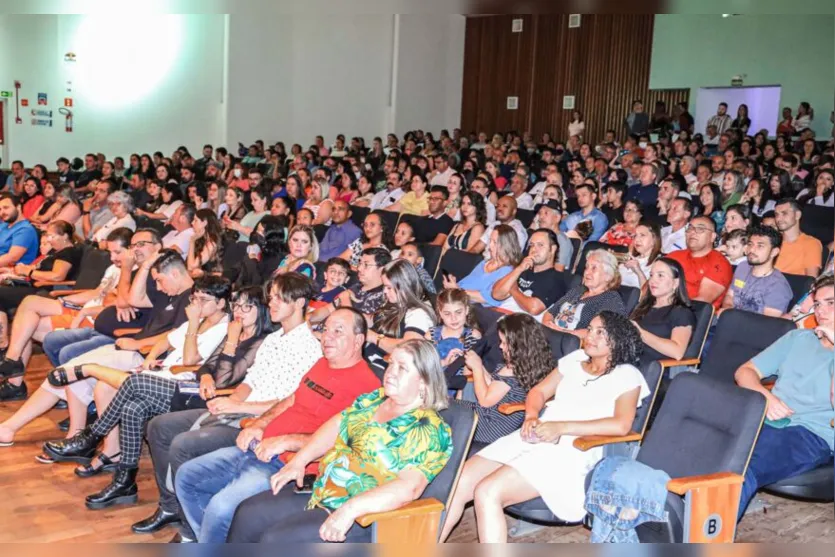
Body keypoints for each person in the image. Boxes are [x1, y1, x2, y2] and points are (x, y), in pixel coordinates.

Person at [177, 308, 385, 543]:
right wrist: (259, 424)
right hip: (260, 446)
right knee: (187, 476)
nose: (327, 337)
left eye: (338, 331)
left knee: (221, 506)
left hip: (289, 466)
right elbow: (293, 399)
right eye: (325, 330)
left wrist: (284, 442)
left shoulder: (367, 388)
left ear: (359, 340)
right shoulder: (321, 364)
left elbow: (342, 443)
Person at [441, 311, 649, 542]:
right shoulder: (575, 359)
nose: (590, 336)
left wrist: (561, 427)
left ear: (618, 339)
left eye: (601, 332)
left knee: (487, 492)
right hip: (538, 433)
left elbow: (621, 425)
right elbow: (538, 391)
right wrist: (531, 415)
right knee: (459, 483)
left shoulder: (627, 375)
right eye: (590, 329)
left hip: (575, 449)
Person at [226, 337, 449, 544]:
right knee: (248, 514)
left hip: (366, 516)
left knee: (276, 540)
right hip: (323, 490)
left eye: (403, 368)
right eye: (391, 364)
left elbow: (409, 487)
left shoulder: (429, 428)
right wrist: (299, 461)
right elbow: (335, 425)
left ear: (424, 382)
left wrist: (350, 510)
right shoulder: (376, 398)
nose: (390, 372)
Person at [41, 277, 233, 508]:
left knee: (130, 384)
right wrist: (151, 357)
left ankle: (91, 435)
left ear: (222, 303)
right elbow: (166, 341)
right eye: (194, 298)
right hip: (163, 377)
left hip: (187, 388)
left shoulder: (222, 328)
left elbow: (192, 360)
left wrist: (192, 324)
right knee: (133, 407)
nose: (197, 304)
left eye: (204, 299)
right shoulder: (199, 321)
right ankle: (125, 481)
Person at [734, 274, 834, 521]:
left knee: (741, 467)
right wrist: (765, 397)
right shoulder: (798, 338)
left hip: (811, 434)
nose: (821, 310)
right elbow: (744, 371)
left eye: (831, 302)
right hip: (767, 419)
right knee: (703, 443)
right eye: (818, 303)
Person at [0, 228, 132, 391]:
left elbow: (116, 303)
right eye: (110, 252)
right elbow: (98, 292)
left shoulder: (133, 274)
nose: (112, 258)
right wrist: (64, 300)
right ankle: (12, 361)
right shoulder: (113, 268)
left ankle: (14, 381)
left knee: (27, 327)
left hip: (93, 318)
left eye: (117, 252)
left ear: (131, 250)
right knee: (30, 302)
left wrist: (84, 311)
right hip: (83, 308)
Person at [461, 313, 553, 445]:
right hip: (499, 422)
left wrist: (476, 368)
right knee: (446, 405)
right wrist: (479, 366)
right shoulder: (531, 364)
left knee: (446, 408)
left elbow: (485, 401)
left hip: (489, 426)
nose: (501, 346)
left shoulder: (512, 370)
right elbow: (495, 387)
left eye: (504, 343)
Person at [543, 249, 627, 338]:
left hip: (574, 345)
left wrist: (562, 332)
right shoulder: (578, 290)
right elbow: (551, 312)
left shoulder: (610, 299)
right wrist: (547, 326)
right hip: (552, 335)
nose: (587, 272)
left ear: (608, 276)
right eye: (586, 267)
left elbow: (600, 333)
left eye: (594, 268)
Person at [365, 259, 436, 358]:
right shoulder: (395, 300)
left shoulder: (419, 314)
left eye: (389, 287)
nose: (385, 291)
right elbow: (372, 319)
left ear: (404, 287)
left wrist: (373, 337)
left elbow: (408, 348)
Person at [629, 258, 695, 362]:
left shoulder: (681, 313)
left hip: (649, 368)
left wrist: (640, 333)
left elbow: (677, 352)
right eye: (651, 275)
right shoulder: (643, 306)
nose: (652, 281)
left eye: (660, 275)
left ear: (675, 283)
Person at [492, 229, 565, 320]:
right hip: (498, 314)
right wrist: (519, 268)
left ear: (553, 249)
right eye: (532, 245)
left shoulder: (557, 278)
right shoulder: (522, 270)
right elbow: (496, 294)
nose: (534, 249)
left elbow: (534, 308)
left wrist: (513, 289)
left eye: (540, 245)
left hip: (515, 325)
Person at [722, 226, 793, 318]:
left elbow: (766, 324)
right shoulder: (743, 267)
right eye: (750, 244)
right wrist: (728, 313)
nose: (751, 250)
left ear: (774, 252)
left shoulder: (778, 286)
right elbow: (729, 296)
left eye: (760, 246)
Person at [309, 247, 391, 326]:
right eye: (360, 263)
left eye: (366, 265)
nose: (359, 268)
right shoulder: (357, 286)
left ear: (382, 270)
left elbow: (356, 325)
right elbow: (328, 309)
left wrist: (345, 298)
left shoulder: (385, 296)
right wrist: (306, 318)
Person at [444, 225, 521, 308]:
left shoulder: (507, 272)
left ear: (506, 246)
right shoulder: (485, 262)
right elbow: (470, 282)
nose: (490, 246)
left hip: (468, 306)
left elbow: (488, 298)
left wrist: (458, 290)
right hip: (456, 297)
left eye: (495, 242)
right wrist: (455, 285)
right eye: (490, 241)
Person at [668, 215, 733, 310]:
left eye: (700, 229)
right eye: (690, 228)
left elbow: (700, 302)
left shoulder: (719, 264)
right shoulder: (674, 255)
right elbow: (651, 285)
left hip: (689, 316)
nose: (693, 232)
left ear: (712, 237)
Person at [425, 288, 481, 369]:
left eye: (458, 312)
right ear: (440, 313)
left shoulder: (472, 335)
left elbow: (472, 369)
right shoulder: (431, 335)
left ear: (466, 310)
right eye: (447, 314)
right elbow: (423, 364)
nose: (453, 318)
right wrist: (444, 363)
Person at [773, 198, 823, 277]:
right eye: (776, 214)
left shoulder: (811, 244)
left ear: (797, 215)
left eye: (784, 213)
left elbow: (810, 281)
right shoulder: (772, 241)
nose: (778, 218)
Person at [0, 192, 40, 268]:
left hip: (11, 273)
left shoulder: (25, 229)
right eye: (0, 209)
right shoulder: (3, 225)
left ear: (18, 207)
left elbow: (12, 258)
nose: (2, 212)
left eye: (6, 208)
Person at [619, 223, 662, 289]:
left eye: (642, 235)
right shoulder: (631, 257)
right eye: (635, 235)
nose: (637, 239)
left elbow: (648, 294)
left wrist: (638, 271)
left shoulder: (660, 263)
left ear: (654, 240)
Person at [535, 199, 574, 271]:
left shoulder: (562, 242)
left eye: (546, 213)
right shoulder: (537, 236)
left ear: (557, 218)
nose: (541, 217)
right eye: (540, 213)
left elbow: (558, 270)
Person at [187, 209, 223, 278]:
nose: (192, 223)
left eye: (196, 220)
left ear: (204, 223)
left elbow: (191, 267)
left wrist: (192, 241)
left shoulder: (211, 243)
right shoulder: (203, 240)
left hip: (211, 281)